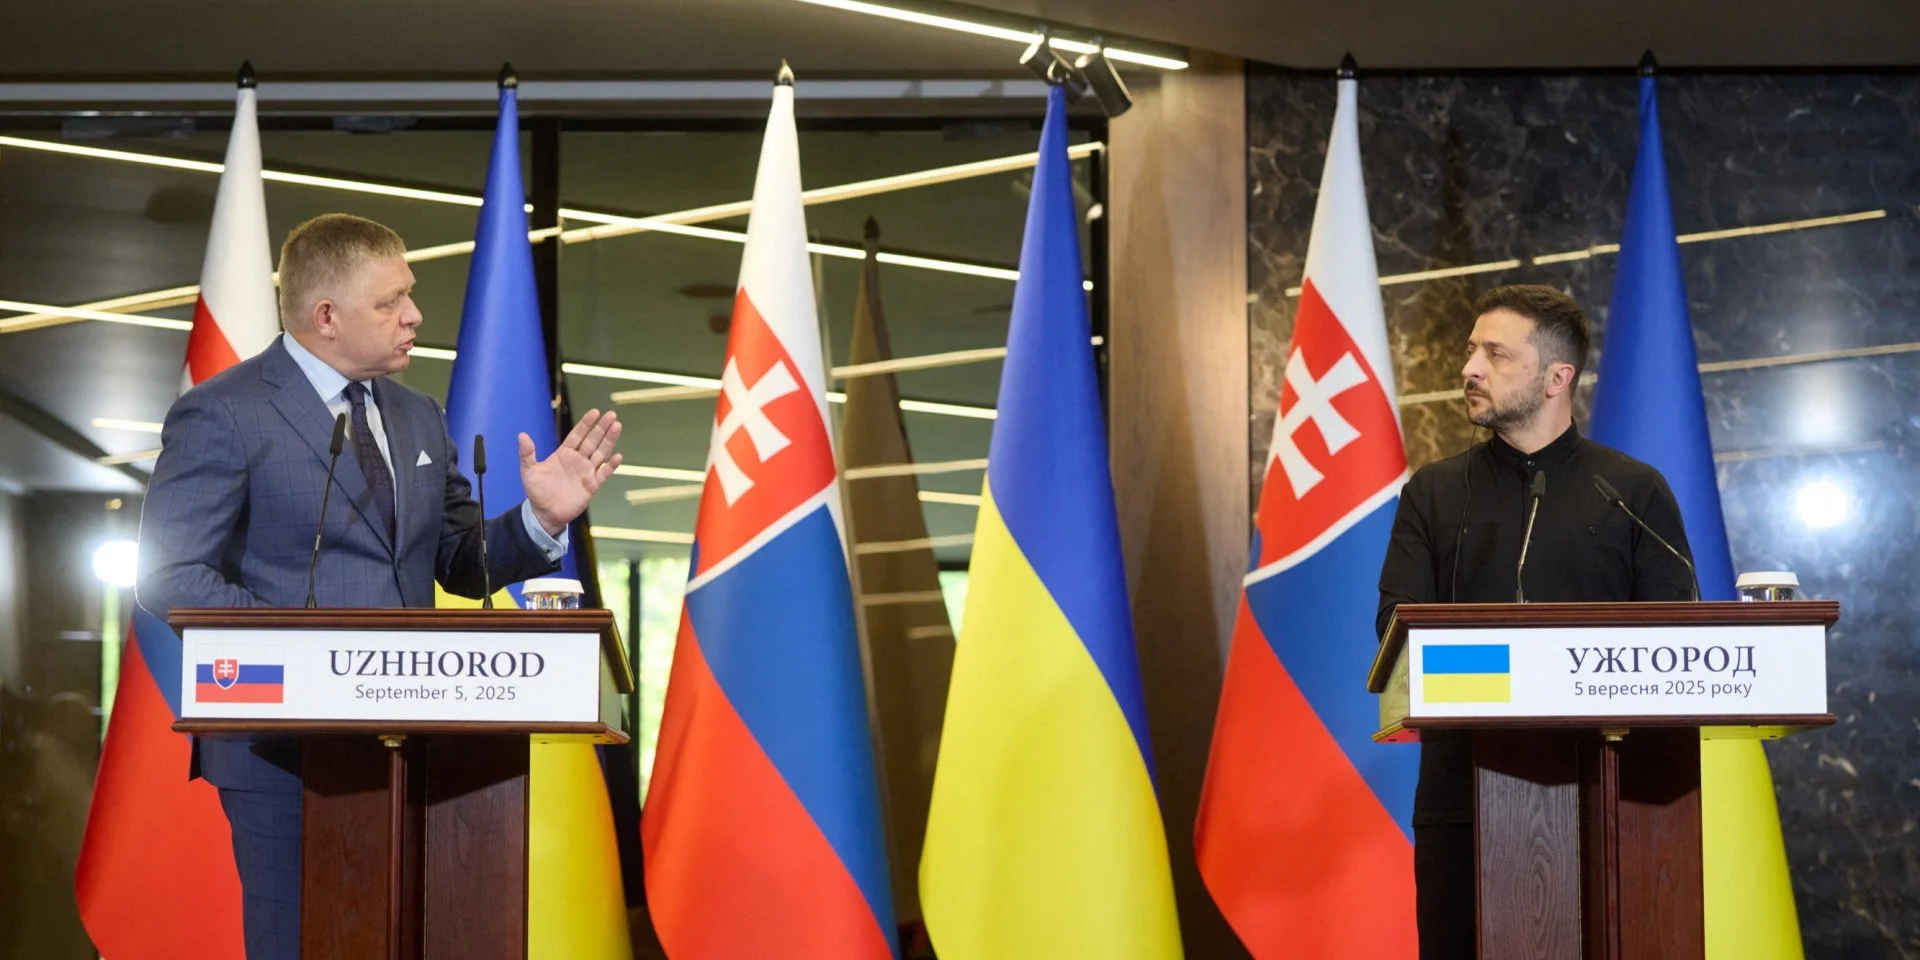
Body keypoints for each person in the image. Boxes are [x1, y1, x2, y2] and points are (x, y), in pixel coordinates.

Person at [136, 213, 623, 959]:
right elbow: (170, 572)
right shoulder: (225, 411)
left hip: (423, 743)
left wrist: (541, 518)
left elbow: (459, 560)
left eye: (410, 294)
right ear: (326, 316)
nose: (415, 315)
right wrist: (301, 652)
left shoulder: (418, 416)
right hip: (282, 750)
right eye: (391, 301)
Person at [1374, 284, 1696, 959]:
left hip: (1617, 801)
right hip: (1464, 802)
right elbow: (1397, 634)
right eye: (1471, 351)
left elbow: (1677, 642)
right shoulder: (1433, 493)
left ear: (1557, 378)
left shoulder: (1632, 491)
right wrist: (1508, 675)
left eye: (1496, 355)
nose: (1469, 369)